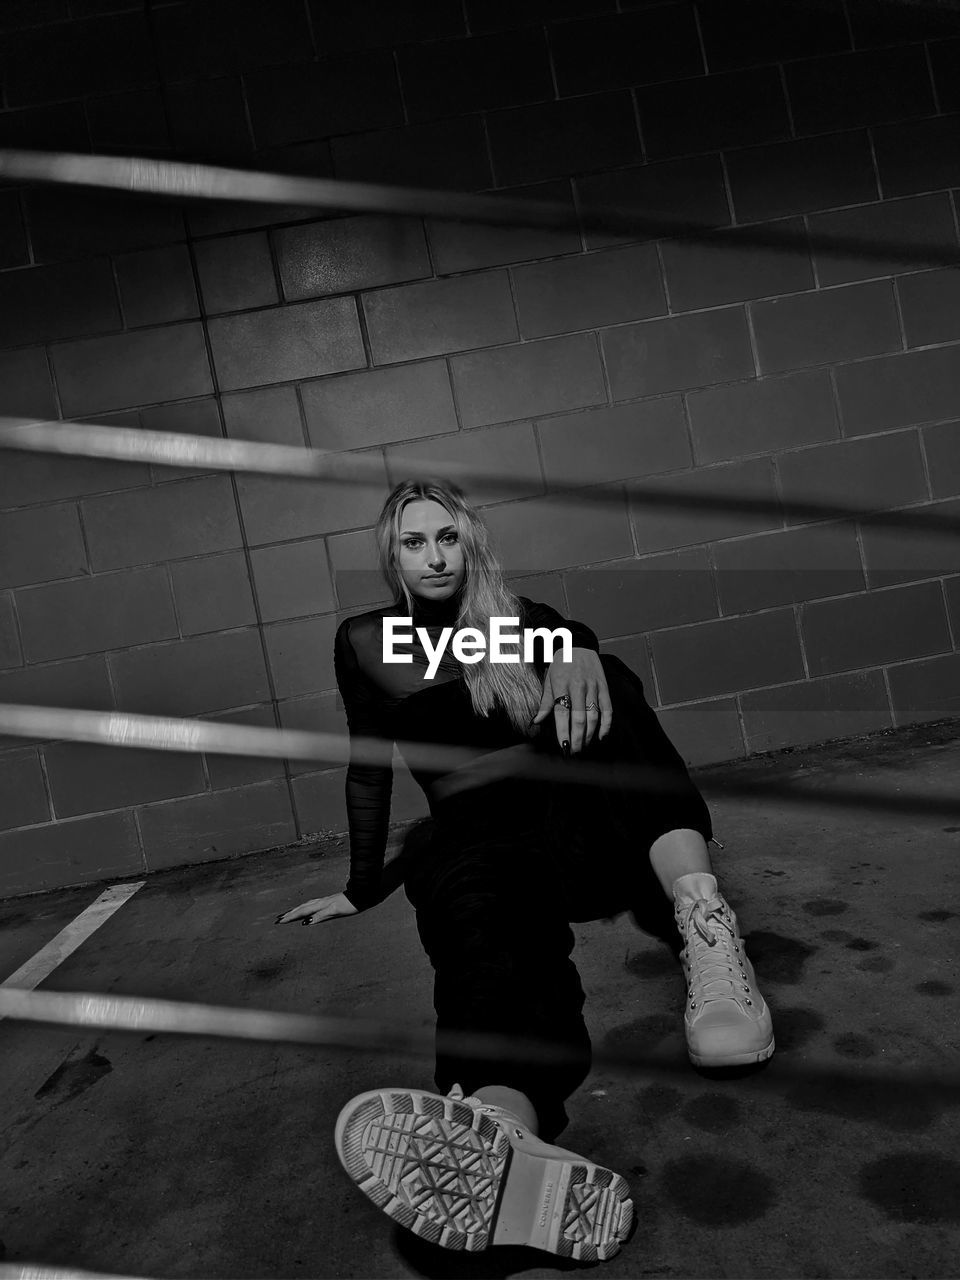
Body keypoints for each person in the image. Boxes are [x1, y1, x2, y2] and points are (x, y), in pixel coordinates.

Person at [276, 478, 773, 1261]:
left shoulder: (513, 621)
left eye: (448, 538)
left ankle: (704, 924)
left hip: (577, 824)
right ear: (391, 555)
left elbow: (568, 631)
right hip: (479, 835)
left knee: (608, 677)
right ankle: (502, 1129)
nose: (435, 556)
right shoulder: (366, 641)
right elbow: (367, 769)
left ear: (469, 544)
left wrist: (577, 651)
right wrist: (359, 884)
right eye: (415, 541)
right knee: (477, 919)